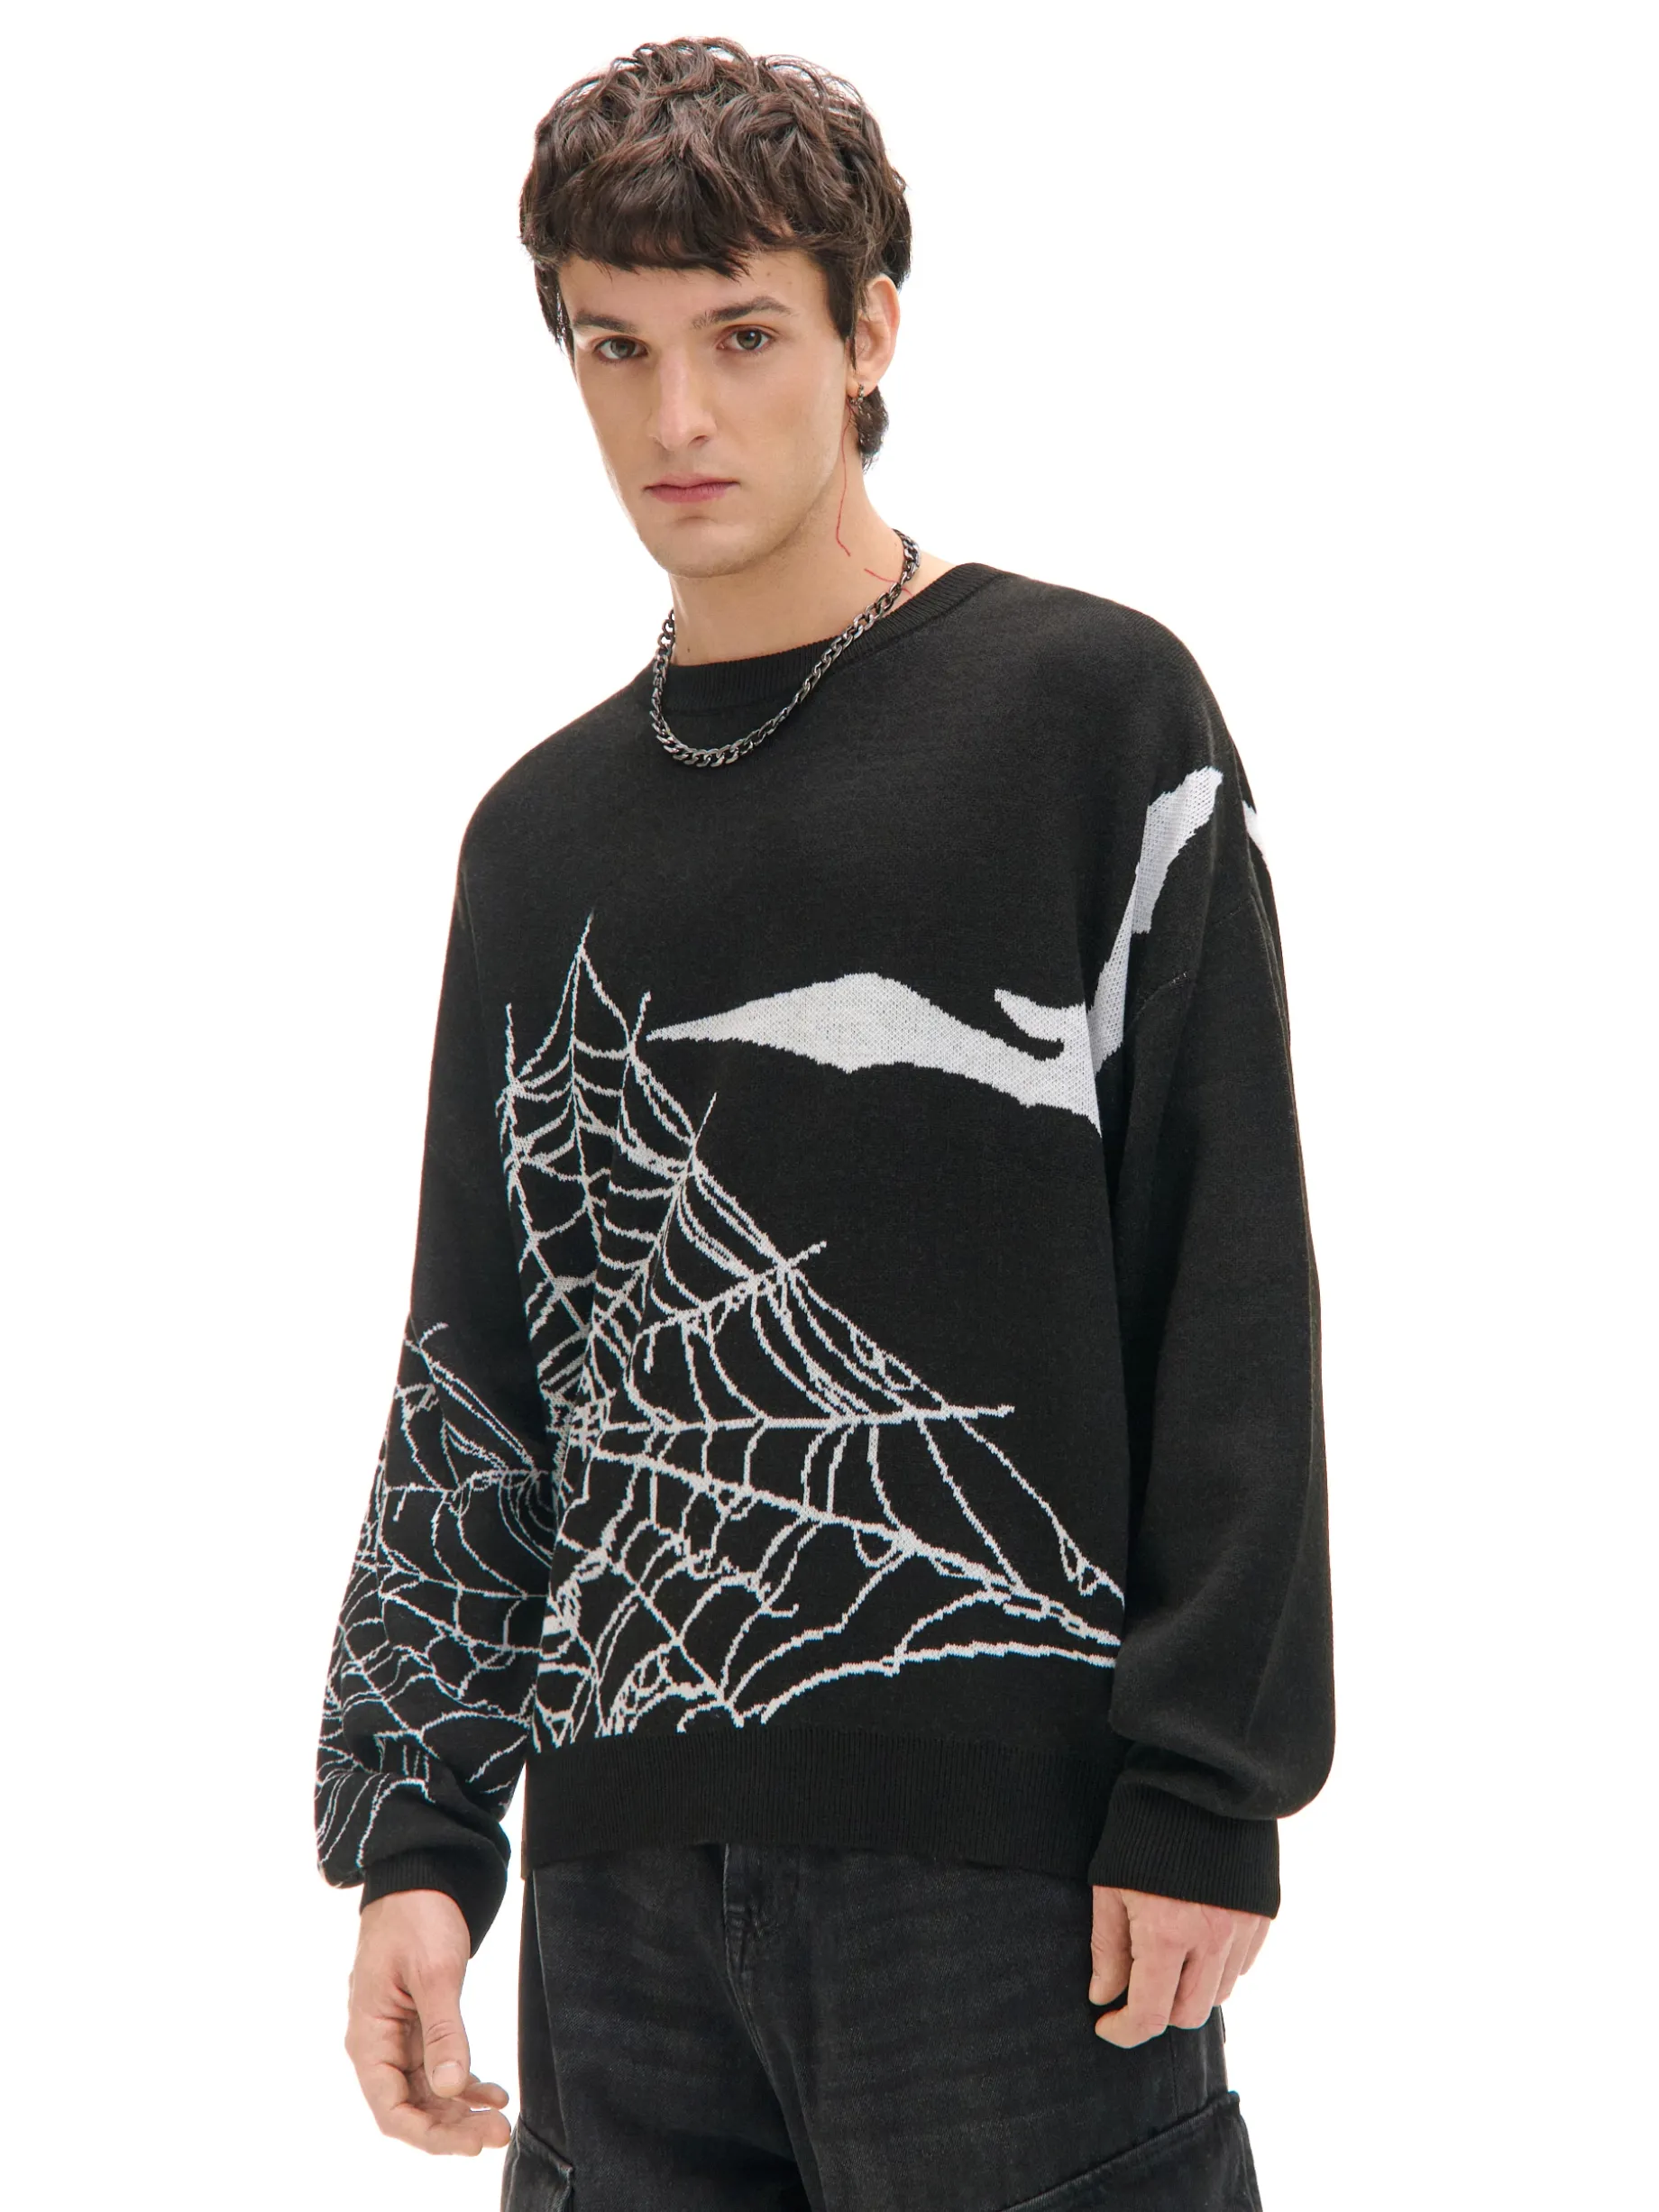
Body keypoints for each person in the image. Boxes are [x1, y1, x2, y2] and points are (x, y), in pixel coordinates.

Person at [314, 34, 1334, 2211]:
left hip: (1014, 1885)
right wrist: (417, 1835)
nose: (675, 418)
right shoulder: (537, 838)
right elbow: (476, 1356)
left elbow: (1225, 1259)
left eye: (742, 336)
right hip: (615, 1909)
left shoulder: (1087, 713)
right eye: (615, 346)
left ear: (869, 334)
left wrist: (1206, 1780)